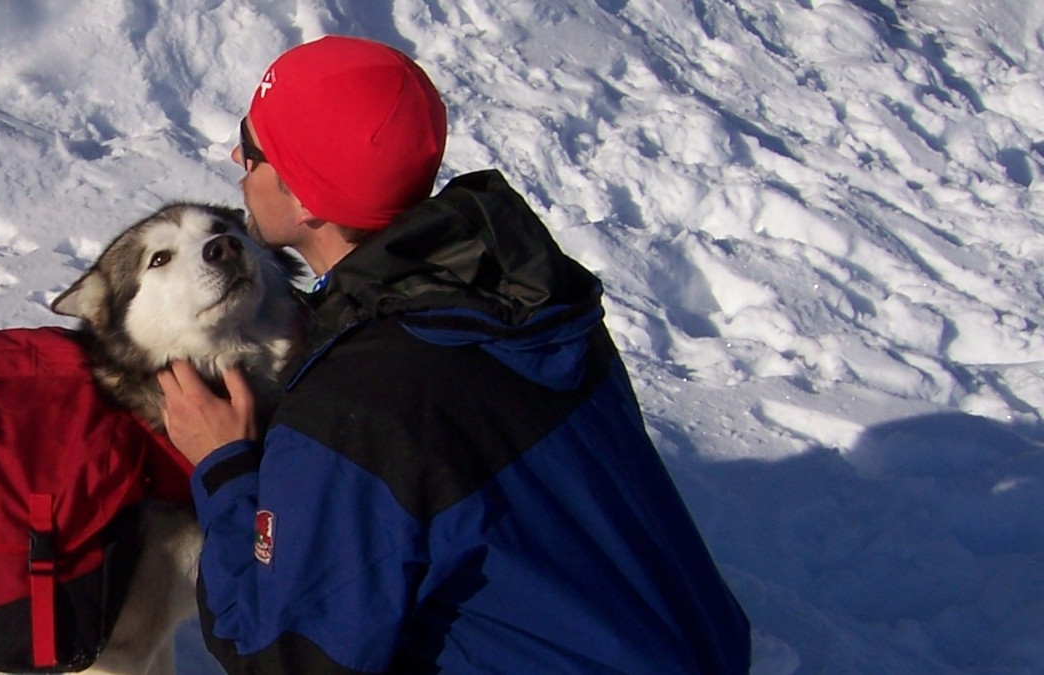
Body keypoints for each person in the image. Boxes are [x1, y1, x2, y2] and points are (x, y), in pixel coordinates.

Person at [156, 36, 752, 674]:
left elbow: (279, 657)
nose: (236, 160)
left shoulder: (357, 406)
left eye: (254, 149)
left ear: (305, 199)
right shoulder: (531, 295)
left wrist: (225, 468)